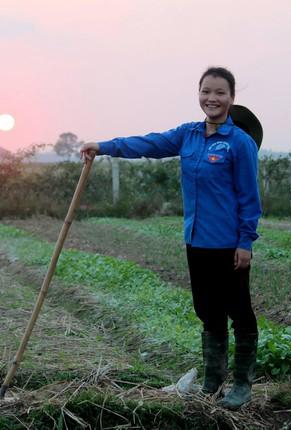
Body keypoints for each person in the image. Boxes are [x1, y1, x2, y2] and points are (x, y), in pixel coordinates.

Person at [79, 66, 262, 410]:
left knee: (239, 311)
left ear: (232, 98)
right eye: (206, 91)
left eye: (220, 92)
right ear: (199, 95)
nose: (212, 98)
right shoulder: (188, 135)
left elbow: (249, 197)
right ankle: (211, 381)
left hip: (229, 245)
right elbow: (147, 143)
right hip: (197, 241)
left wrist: (245, 241)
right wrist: (103, 146)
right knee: (208, 311)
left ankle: (241, 385)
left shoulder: (240, 142)